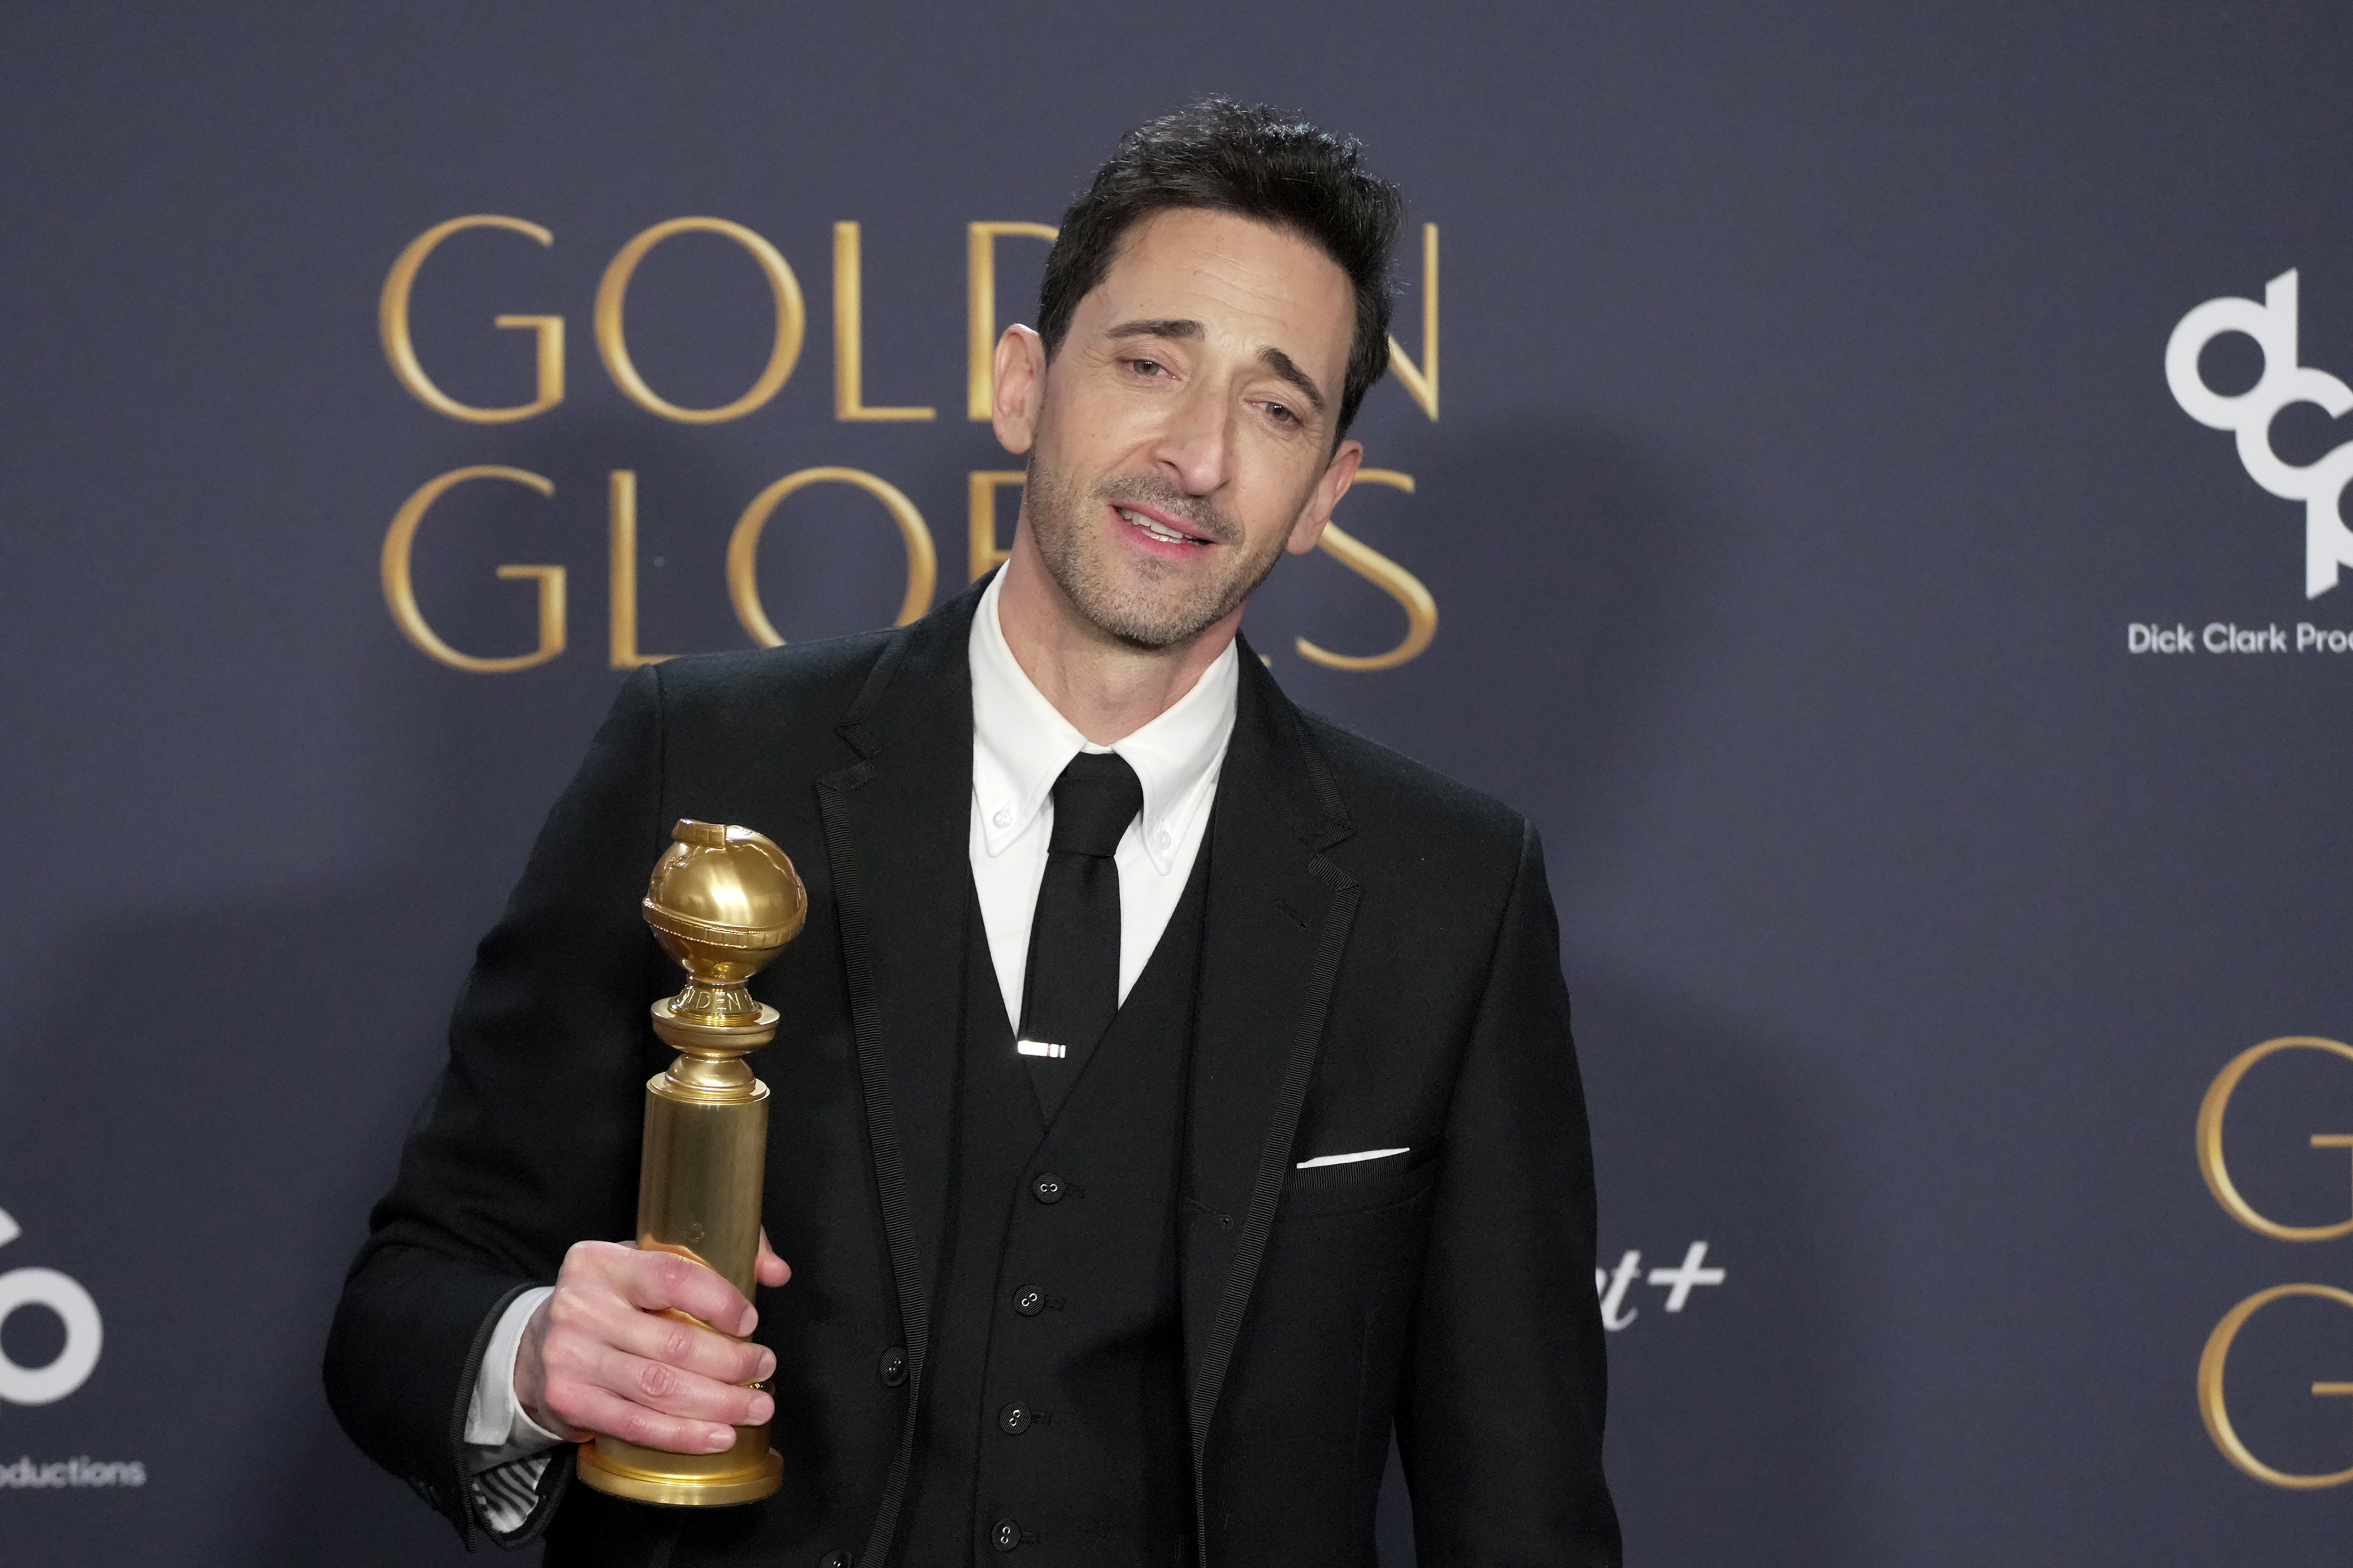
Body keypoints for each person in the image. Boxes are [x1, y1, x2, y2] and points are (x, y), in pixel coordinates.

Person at [326, 98, 1619, 1568]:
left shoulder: (1443, 888)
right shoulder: (705, 758)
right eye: (1147, 363)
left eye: (1274, 409)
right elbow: (413, 1289)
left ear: (1325, 493)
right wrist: (534, 1351)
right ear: (1023, 385)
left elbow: (1519, 1498)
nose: (1196, 455)